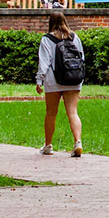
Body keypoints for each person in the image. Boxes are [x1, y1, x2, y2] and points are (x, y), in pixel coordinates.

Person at [34, 11, 84, 157]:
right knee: (73, 112)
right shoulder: (75, 37)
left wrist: (39, 80)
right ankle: (78, 142)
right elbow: (82, 58)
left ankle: (48, 145)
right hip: (73, 79)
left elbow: (44, 62)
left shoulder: (47, 39)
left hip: (53, 80)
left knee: (51, 113)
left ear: (50, 22)